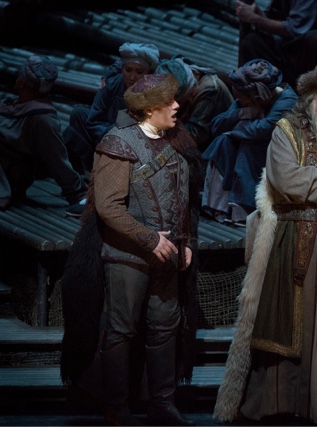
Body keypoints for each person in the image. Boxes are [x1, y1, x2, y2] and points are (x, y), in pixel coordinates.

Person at [213, 56, 317, 424]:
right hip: (295, 239)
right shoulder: (288, 130)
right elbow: (285, 180)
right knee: (287, 324)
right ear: (312, 97)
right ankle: (278, 404)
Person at [60, 74, 202, 426]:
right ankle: (117, 407)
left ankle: (162, 403)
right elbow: (108, 207)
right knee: (121, 330)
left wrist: (185, 242)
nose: (177, 106)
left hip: (168, 255)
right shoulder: (117, 143)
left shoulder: (177, 141)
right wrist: (150, 239)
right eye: (169, 102)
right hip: (127, 257)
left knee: (165, 327)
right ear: (150, 109)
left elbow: (183, 199)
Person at [200, 59, 297, 225]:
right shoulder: (246, 99)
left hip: (278, 153)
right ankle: (218, 206)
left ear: (259, 97)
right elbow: (217, 126)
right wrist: (240, 114)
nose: (239, 101)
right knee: (223, 141)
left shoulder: (287, 101)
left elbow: (263, 129)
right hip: (253, 144)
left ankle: (245, 209)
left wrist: (236, 128)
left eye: (242, 99)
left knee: (248, 147)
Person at [0, 55, 87, 213]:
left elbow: (57, 159)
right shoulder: (15, 103)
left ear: (22, 82)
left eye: (20, 76)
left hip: (7, 178)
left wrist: (78, 194)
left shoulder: (42, 118)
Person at [63, 42, 159, 178]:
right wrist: (109, 132)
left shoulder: (152, 93)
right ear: (122, 69)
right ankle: (80, 171)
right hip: (106, 134)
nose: (132, 77)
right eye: (128, 70)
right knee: (78, 116)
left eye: (139, 72)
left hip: (135, 144)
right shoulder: (113, 84)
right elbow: (94, 119)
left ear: (148, 73)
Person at [235, 0, 317, 85]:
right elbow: (275, 19)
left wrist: (255, 19)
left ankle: (304, 92)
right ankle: (255, 89)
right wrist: (256, 13)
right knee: (252, 41)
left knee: (316, 40)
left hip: (313, 55)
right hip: (289, 49)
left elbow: (294, 29)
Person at [156, 57, 234, 152]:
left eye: (191, 94)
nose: (190, 100)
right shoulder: (189, 80)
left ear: (194, 79)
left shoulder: (210, 88)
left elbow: (196, 134)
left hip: (216, 146)